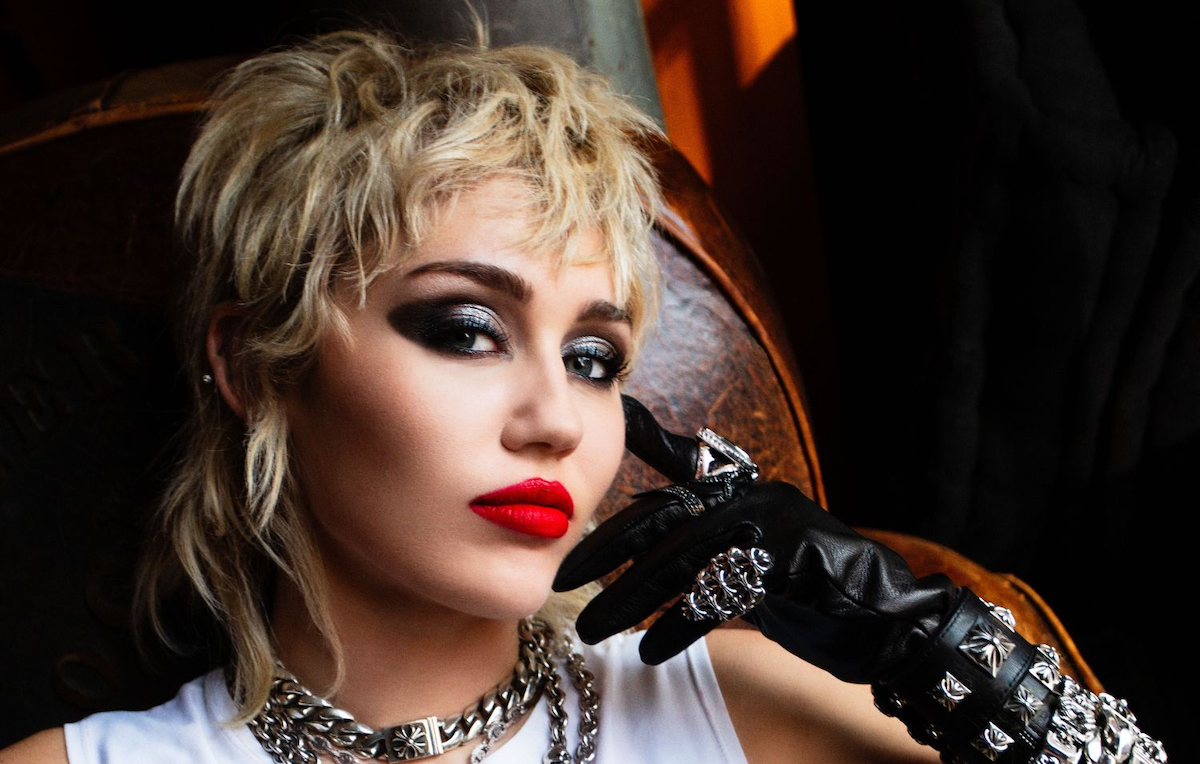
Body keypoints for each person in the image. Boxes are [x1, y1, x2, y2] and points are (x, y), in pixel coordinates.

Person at [0, 29, 1165, 764]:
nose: (557, 417)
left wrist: (933, 644)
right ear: (257, 364)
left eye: (595, 357)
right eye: (467, 329)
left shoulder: (741, 704)